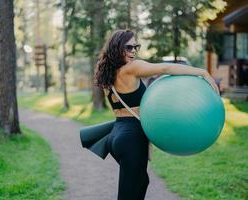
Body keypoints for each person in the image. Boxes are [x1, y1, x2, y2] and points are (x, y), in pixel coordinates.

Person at [94, 29, 219, 200]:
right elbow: (165, 67)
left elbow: (121, 109)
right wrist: (202, 72)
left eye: (135, 47)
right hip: (131, 138)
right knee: (130, 194)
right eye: (128, 47)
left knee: (141, 183)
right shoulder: (132, 68)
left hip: (116, 136)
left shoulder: (107, 74)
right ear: (117, 48)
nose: (133, 52)